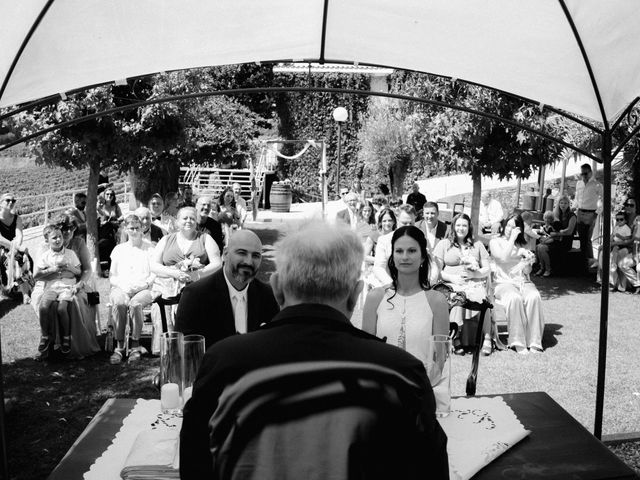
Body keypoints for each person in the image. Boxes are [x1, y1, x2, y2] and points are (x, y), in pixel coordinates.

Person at [180, 224, 448, 479]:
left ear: (277, 288)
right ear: (355, 295)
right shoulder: (402, 373)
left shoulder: (224, 363)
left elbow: (196, 465)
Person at [175, 229, 279, 349]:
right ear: (225, 254)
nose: (248, 261)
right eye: (242, 253)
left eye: (255, 256)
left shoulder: (267, 295)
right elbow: (185, 351)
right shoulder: (195, 295)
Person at [31, 214, 101, 359]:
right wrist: (57, 274)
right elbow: (38, 274)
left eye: (71, 228)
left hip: (74, 282)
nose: (68, 231)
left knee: (75, 302)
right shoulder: (45, 246)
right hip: (48, 282)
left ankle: (73, 345)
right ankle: (48, 344)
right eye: (64, 228)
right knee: (42, 301)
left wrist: (79, 283)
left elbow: (86, 270)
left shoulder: (78, 243)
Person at [433, 213, 493, 355]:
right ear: (453, 226)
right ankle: (457, 337)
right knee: (457, 295)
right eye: (458, 225)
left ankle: (487, 337)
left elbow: (487, 268)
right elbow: (437, 270)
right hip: (451, 283)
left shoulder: (477, 245)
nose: (461, 228)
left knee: (482, 296)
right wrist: (452, 278)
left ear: (469, 228)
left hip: (473, 283)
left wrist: (475, 274)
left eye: (464, 225)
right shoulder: (444, 244)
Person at [490, 214, 544, 354]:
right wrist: (512, 239)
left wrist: (528, 261)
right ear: (503, 225)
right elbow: (502, 258)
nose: (510, 229)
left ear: (519, 229)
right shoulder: (495, 242)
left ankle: (534, 341)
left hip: (522, 281)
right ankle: (517, 340)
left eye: (514, 227)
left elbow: (527, 271)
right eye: (508, 225)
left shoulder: (523, 244)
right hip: (503, 282)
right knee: (514, 298)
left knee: (534, 296)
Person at [108, 215, 157, 364]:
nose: (134, 231)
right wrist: (123, 287)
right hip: (121, 287)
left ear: (142, 228)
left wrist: (145, 284)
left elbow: (155, 273)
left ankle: (135, 345)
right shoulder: (119, 249)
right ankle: (120, 346)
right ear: (126, 229)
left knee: (135, 304)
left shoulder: (150, 248)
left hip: (144, 288)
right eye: (131, 228)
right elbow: (112, 276)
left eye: (137, 228)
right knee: (120, 303)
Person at [150, 207, 222, 307]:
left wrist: (196, 274)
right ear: (177, 221)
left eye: (192, 218)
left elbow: (217, 264)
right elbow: (153, 265)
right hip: (168, 290)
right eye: (185, 218)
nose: (189, 221)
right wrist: (174, 273)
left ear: (196, 222)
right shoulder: (166, 239)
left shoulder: (205, 238)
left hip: (198, 288)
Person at [33, 225, 82, 358]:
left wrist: (69, 266)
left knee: (61, 309)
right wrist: (52, 269)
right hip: (52, 286)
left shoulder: (70, 254)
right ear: (47, 240)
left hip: (66, 286)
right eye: (54, 238)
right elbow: (36, 275)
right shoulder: (46, 256)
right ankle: (45, 336)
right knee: (43, 306)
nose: (58, 240)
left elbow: (78, 272)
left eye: (60, 236)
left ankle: (66, 338)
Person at [0, 192, 33, 302]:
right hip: (2, 247)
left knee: (22, 259)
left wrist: (16, 247)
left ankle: (25, 292)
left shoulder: (17, 218)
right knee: (12, 258)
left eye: (13, 201)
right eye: (8, 200)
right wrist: (15, 247)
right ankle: (15, 290)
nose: (11, 202)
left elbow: (19, 235)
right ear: (1, 203)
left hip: (14, 246)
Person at [535, 195, 577, 277]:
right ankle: (542, 268)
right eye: (561, 203)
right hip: (556, 239)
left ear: (568, 204)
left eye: (565, 203)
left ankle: (548, 269)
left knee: (542, 248)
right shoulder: (558, 214)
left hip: (565, 242)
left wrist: (557, 234)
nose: (563, 205)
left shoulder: (572, 216)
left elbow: (569, 231)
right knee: (538, 246)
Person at [574, 163, 603, 268]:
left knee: (587, 238)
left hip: (591, 213)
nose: (584, 176)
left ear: (590, 172)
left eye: (585, 173)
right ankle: (583, 261)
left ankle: (589, 261)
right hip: (580, 212)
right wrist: (574, 207)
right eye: (582, 174)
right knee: (582, 238)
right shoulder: (579, 184)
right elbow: (577, 198)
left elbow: (603, 200)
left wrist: (597, 213)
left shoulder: (597, 185)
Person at [597, 211, 632, 289]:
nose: (619, 221)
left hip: (620, 245)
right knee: (601, 250)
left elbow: (628, 238)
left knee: (613, 254)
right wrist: (609, 240)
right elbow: (612, 236)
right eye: (617, 219)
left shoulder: (627, 228)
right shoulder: (616, 227)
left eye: (621, 219)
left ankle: (612, 281)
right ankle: (601, 275)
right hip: (613, 244)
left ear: (625, 220)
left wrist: (620, 237)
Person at [614, 197, 640, 292]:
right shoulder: (623, 218)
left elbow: (634, 239)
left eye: (631, 205)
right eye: (627, 205)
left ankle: (635, 284)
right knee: (613, 254)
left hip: (634, 248)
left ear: (636, 207)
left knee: (622, 262)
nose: (629, 207)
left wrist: (634, 253)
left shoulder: (638, 219)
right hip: (624, 246)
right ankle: (617, 284)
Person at [98, 187, 123, 273]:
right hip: (103, 230)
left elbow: (121, 216)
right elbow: (99, 216)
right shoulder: (101, 205)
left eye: (111, 194)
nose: (109, 196)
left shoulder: (115, 206)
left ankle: (112, 265)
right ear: (104, 195)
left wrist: (118, 220)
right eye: (107, 194)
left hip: (113, 228)